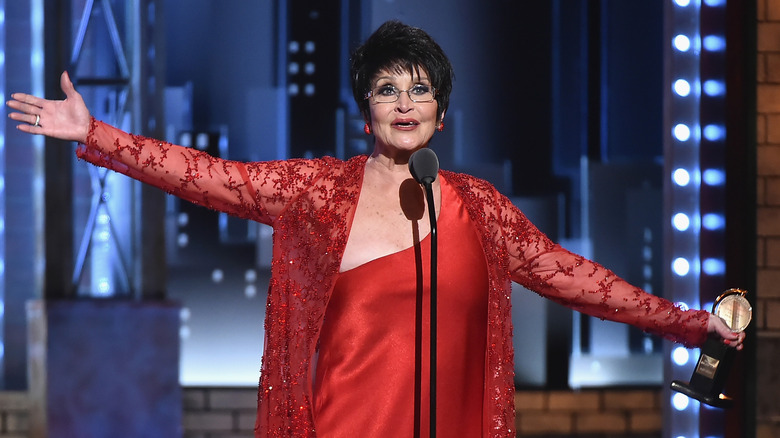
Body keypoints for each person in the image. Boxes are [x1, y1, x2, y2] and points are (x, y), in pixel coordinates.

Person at [8, 20, 744, 438]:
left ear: (441, 114)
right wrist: (96, 134)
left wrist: (688, 324)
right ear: (366, 111)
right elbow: (209, 176)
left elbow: (576, 278)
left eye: (419, 90)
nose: (404, 101)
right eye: (387, 88)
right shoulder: (316, 194)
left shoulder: (479, 209)